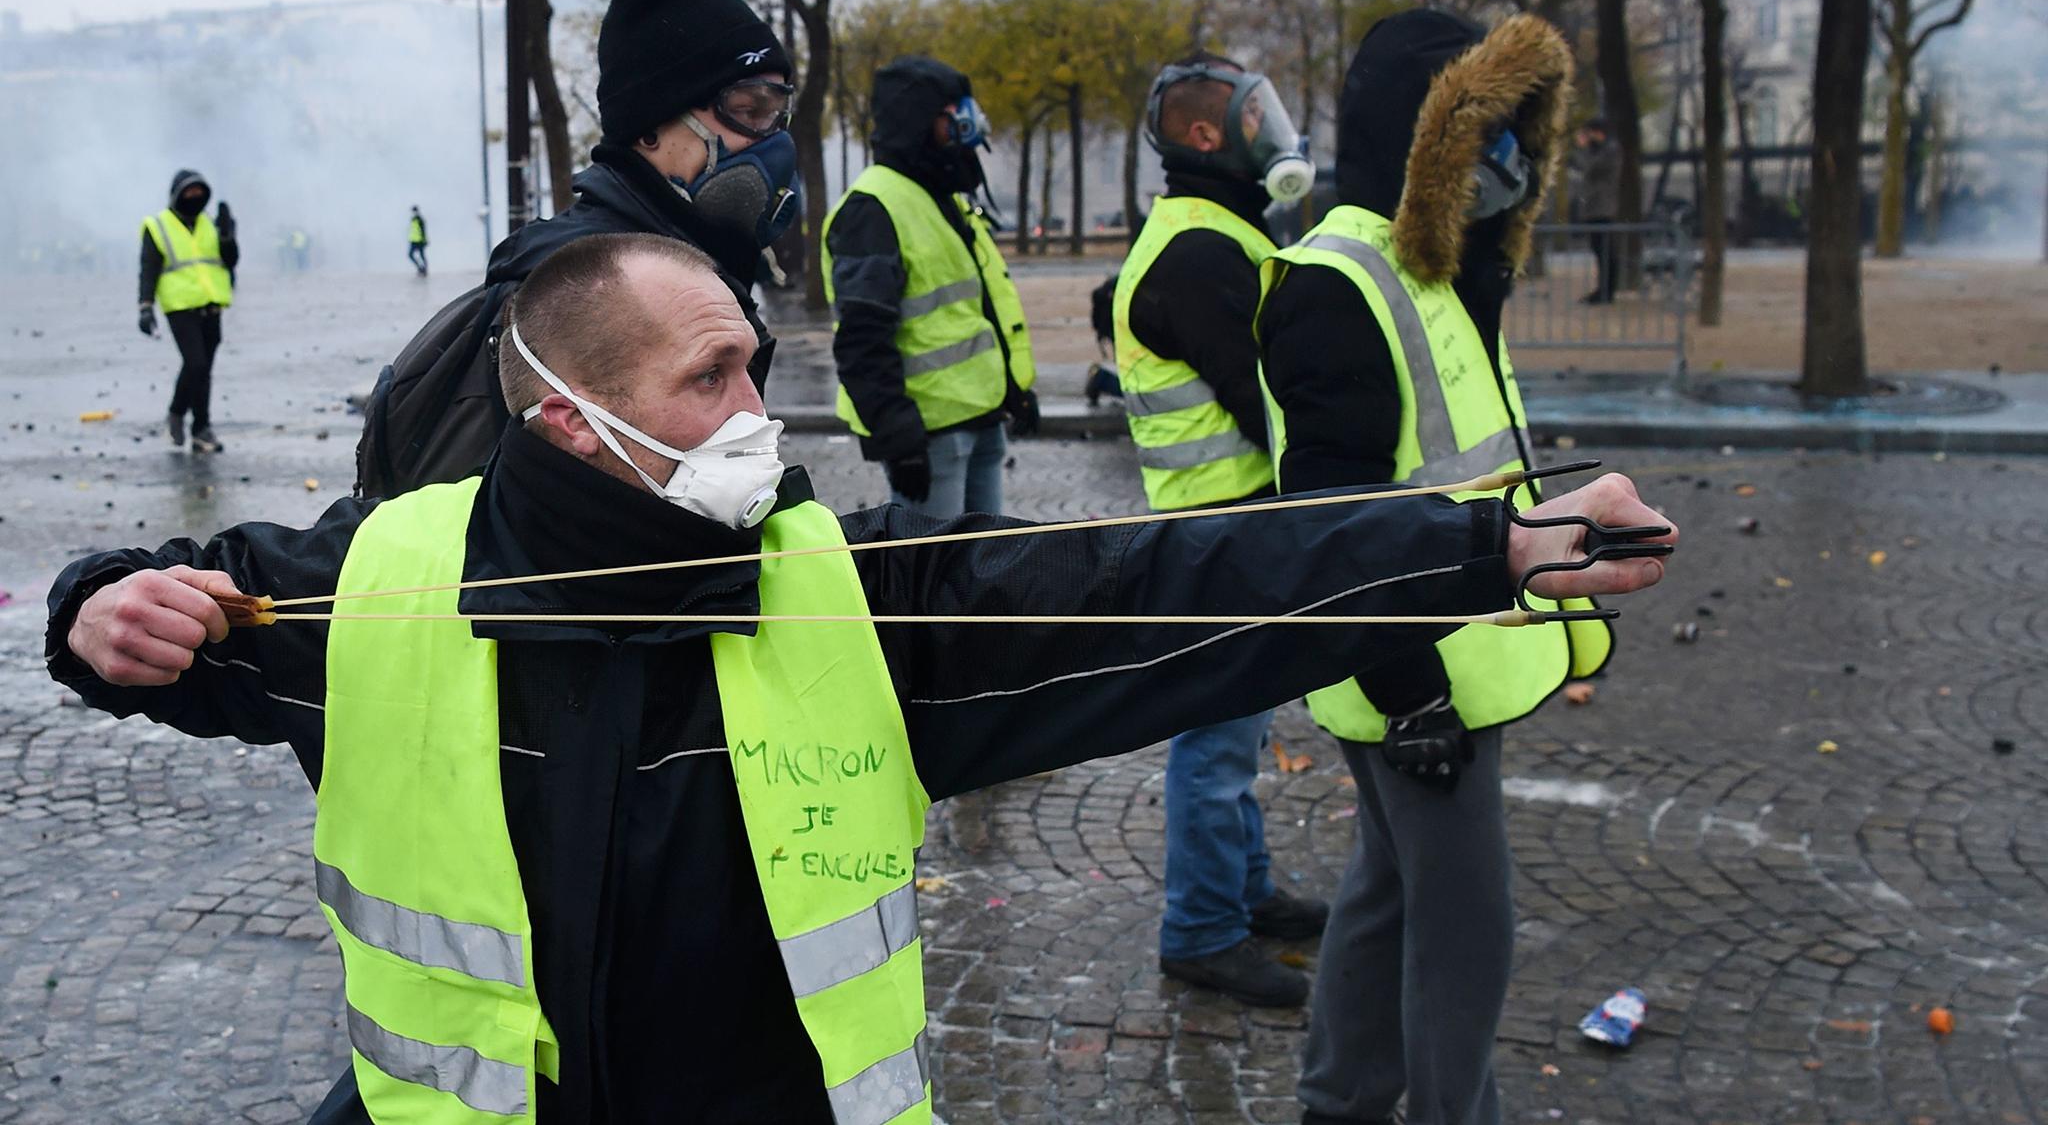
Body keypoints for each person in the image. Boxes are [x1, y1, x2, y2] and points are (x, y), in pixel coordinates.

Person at [48, 230, 1675, 1125]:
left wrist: (1487, 549)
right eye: (714, 376)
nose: (765, 408)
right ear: (573, 423)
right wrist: (98, 614)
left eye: (756, 360)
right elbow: (172, 619)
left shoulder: (847, 604)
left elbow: (1155, 589)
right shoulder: (377, 586)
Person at [1258, 9, 1617, 1125]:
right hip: (1419, 675)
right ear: (1431, 138)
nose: (1510, 157)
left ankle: (1341, 1099)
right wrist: (1405, 687)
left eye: (1522, 132)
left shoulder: (1438, 269)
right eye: (1490, 130)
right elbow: (1333, 514)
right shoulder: (1339, 279)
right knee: (1465, 923)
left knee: (1384, 893)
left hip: (1455, 655)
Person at [353, 0, 801, 500]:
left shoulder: (696, 263)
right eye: (748, 110)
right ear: (651, 129)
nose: (773, 140)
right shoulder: (574, 285)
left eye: (778, 113)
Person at [1112, 52, 1326, 1007]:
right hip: (1220, 531)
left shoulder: (1206, 234)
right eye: (1252, 114)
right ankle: (1202, 930)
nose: (1268, 129)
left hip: (1224, 525)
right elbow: (1266, 400)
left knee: (1237, 725)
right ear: (1206, 137)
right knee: (1216, 738)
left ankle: (1243, 891)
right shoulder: (1202, 251)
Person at [823, 55, 1038, 517]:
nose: (967, 124)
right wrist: (898, 438)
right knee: (932, 578)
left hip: (979, 420)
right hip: (930, 435)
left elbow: (980, 305)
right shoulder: (874, 208)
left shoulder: (939, 196)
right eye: (952, 113)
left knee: (987, 570)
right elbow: (862, 338)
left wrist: (1014, 390)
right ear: (920, 120)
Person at [139, 169, 237, 454]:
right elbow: (148, 268)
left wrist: (228, 236)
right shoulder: (157, 226)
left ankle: (187, 421)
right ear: (177, 194)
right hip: (179, 306)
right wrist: (145, 307)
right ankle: (195, 423)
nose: (195, 197)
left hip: (212, 302)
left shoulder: (210, 224)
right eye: (189, 192)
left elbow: (230, 261)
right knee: (196, 364)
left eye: (199, 192)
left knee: (202, 367)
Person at [1574, 117, 1620, 304]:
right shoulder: (1602, 150)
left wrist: (1582, 148)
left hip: (1602, 209)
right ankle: (1603, 289)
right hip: (1595, 208)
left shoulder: (1610, 150)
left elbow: (1588, 167)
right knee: (1599, 251)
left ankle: (1607, 292)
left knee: (1605, 251)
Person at [407, 206, 429, 275]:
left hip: (420, 241)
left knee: (422, 255)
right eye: (413, 211)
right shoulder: (413, 220)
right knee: (410, 255)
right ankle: (420, 268)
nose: (414, 213)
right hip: (413, 241)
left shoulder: (420, 220)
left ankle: (424, 269)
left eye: (415, 211)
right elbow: (412, 231)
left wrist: (425, 240)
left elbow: (423, 231)